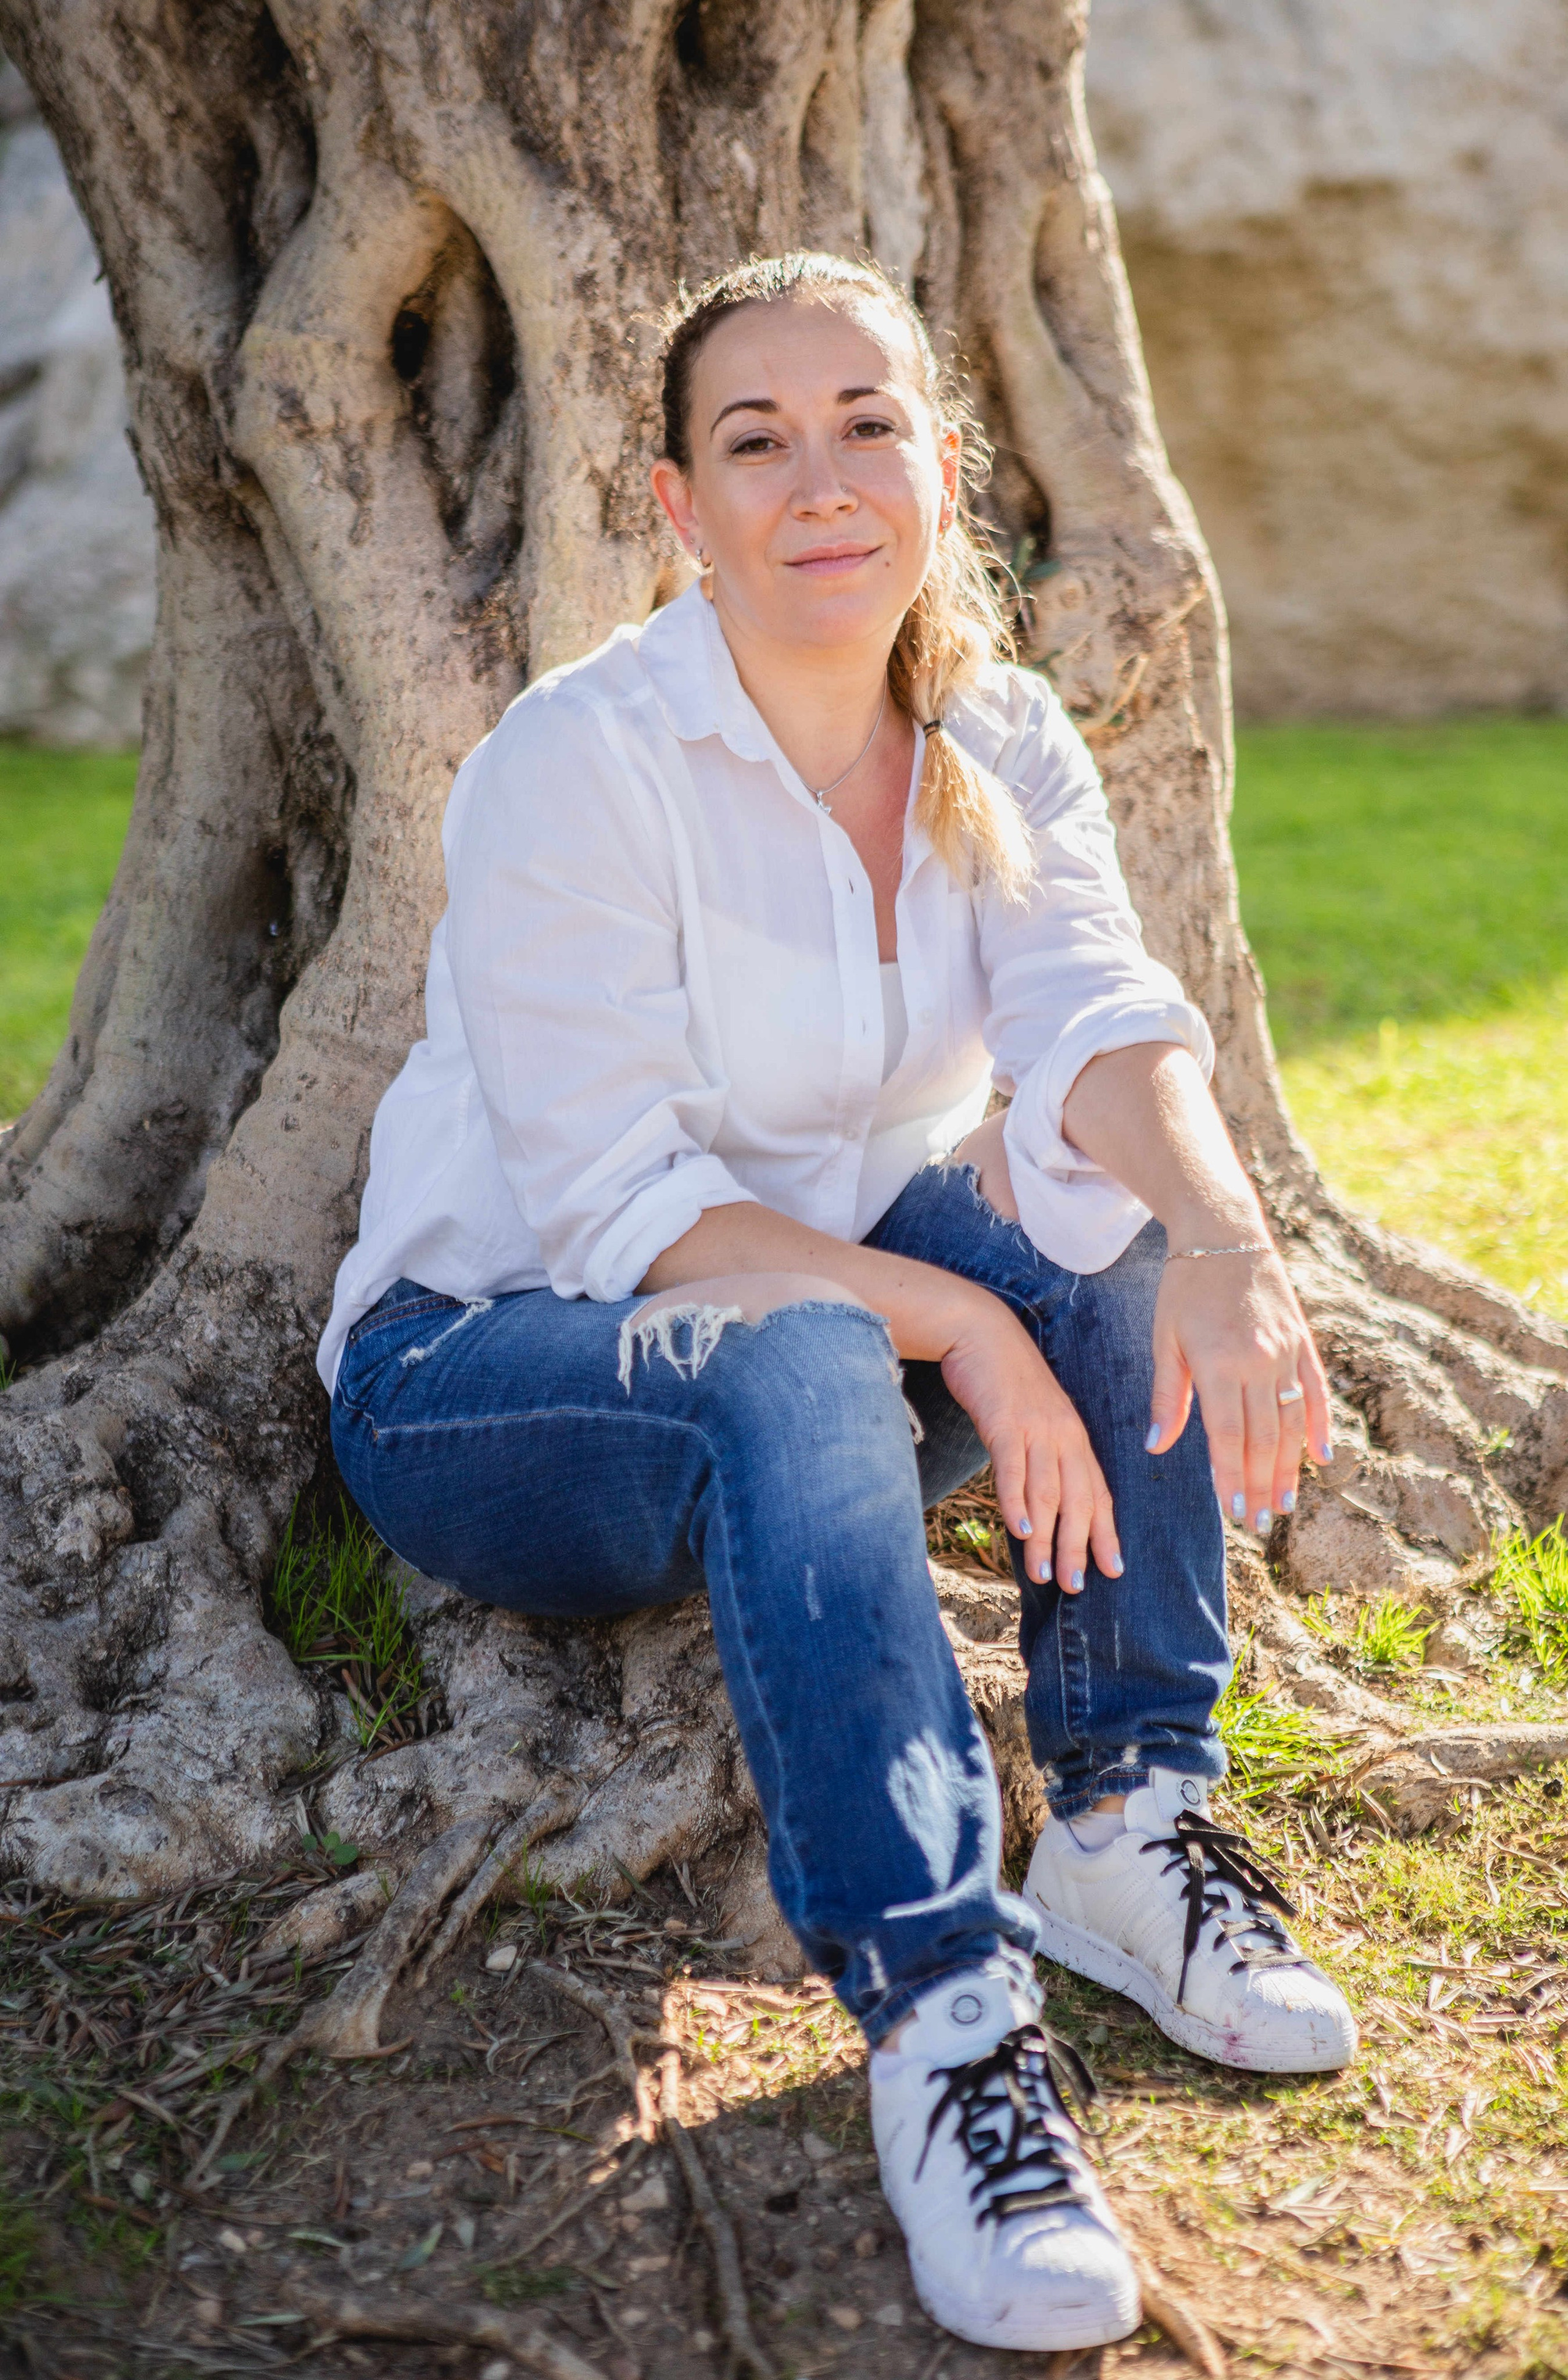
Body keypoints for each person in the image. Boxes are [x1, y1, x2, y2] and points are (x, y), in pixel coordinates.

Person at [320, 250, 1355, 2355]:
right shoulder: (577, 764)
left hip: (821, 1353)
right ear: (678, 504)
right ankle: (944, 2014)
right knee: (819, 1339)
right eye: (756, 439)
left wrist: (1230, 1243)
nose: (822, 479)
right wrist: (953, 1326)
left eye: (867, 424)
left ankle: (1135, 1819)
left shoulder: (1002, 734)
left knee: (1116, 1229)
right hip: (494, 1380)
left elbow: (1094, 1021)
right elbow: (617, 1200)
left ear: (942, 468)